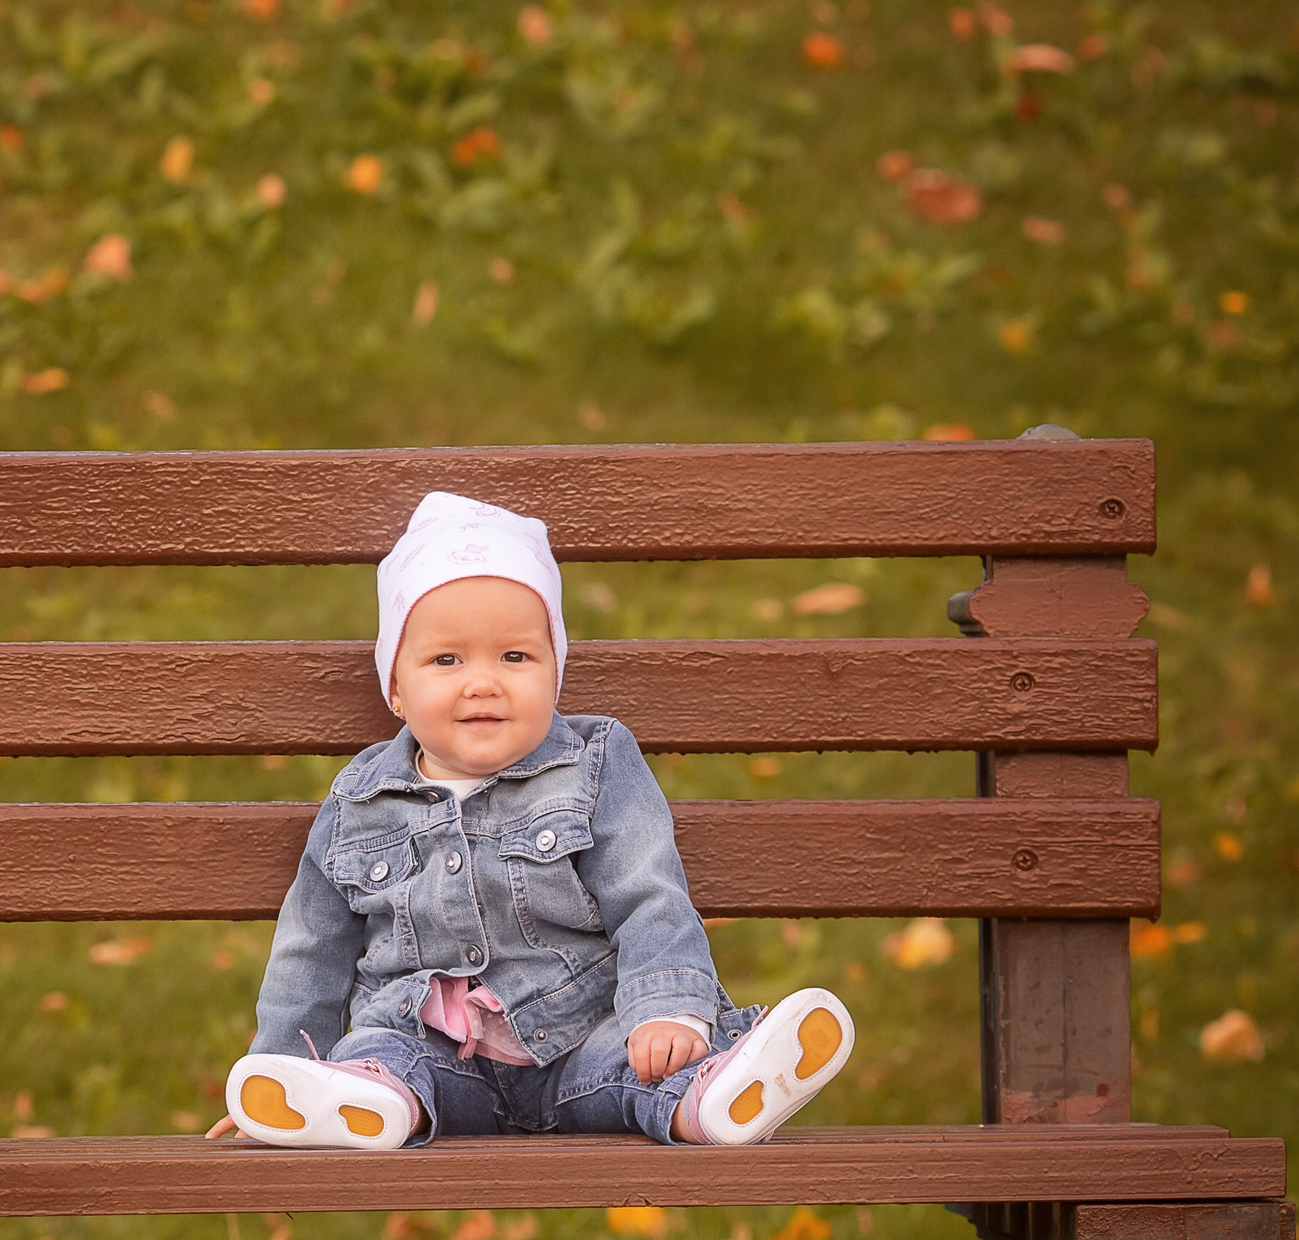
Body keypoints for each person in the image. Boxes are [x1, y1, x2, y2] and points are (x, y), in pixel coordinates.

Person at [207, 491, 853, 1151]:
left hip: (579, 1039)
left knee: (642, 1065)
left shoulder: (593, 763)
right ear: (395, 687)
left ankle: (708, 1098)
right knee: (381, 1055)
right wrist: (282, 1062)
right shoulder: (359, 800)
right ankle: (352, 1101)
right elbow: (311, 945)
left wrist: (667, 1008)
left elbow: (647, 891)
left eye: (514, 657)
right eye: (446, 659)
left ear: (554, 673)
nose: (483, 682)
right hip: (431, 1053)